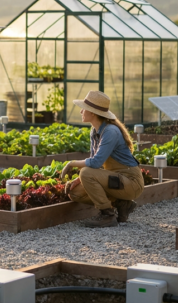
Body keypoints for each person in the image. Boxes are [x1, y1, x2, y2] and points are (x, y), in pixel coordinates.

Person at [60, 90, 144, 228]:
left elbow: (95, 163)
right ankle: (122, 204)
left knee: (85, 172)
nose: (81, 111)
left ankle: (107, 215)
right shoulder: (95, 131)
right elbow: (95, 163)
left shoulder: (110, 131)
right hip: (115, 180)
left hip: (130, 182)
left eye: (84, 109)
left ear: (92, 112)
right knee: (75, 192)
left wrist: (71, 164)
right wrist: (79, 180)